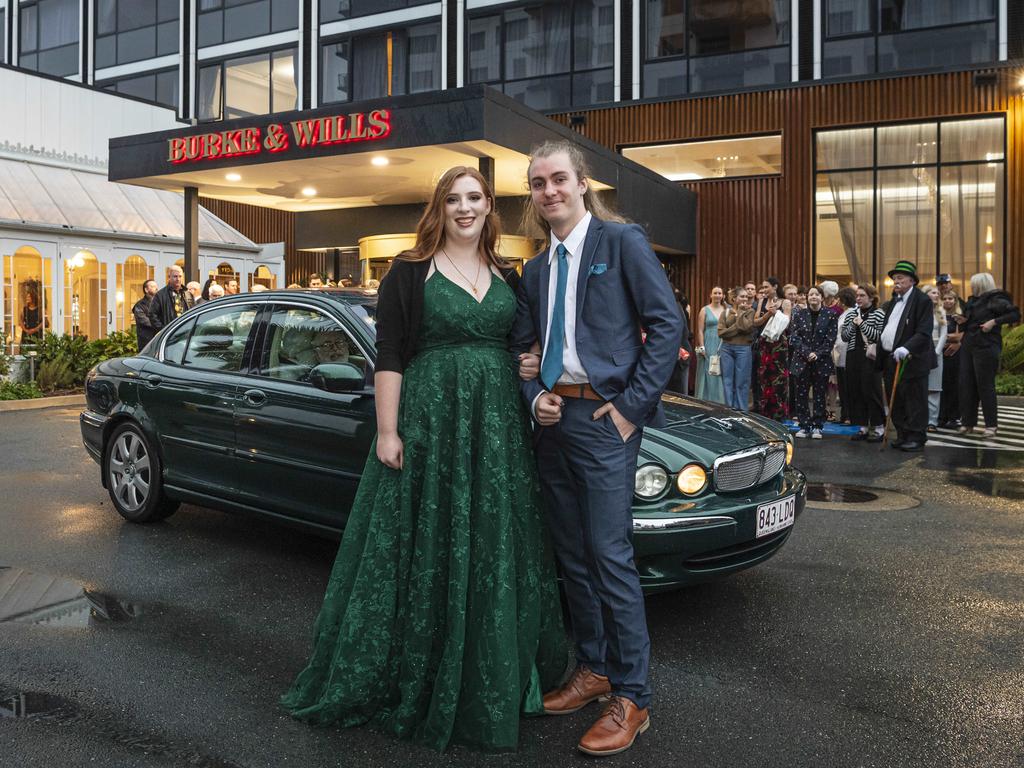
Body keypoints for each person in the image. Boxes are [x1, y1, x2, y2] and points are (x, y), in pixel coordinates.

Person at [280, 166, 566, 752]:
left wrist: (531, 365)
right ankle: (426, 673)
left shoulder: (510, 275)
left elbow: (522, 346)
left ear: (490, 206)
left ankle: (491, 675)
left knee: (490, 543)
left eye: (475, 198)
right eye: (453, 199)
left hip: (496, 432)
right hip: (431, 423)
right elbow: (388, 356)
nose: (465, 208)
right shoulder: (408, 272)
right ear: (439, 207)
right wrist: (387, 431)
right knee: (427, 545)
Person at [511, 139, 681, 756]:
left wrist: (631, 410)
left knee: (609, 555)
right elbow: (523, 349)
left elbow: (668, 324)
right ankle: (595, 668)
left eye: (558, 179)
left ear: (582, 184)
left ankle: (633, 695)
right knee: (572, 555)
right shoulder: (533, 268)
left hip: (608, 421)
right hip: (555, 422)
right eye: (537, 183)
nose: (549, 191)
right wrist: (535, 396)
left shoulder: (622, 242)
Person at [877, 261, 936, 452]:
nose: (895, 281)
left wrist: (907, 347)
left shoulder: (922, 301)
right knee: (897, 400)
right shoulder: (894, 300)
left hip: (912, 359)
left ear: (912, 280)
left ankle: (916, 436)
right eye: (894, 278)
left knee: (914, 400)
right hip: (890, 358)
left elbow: (924, 332)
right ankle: (903, 434)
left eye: (900, 278)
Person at [958, 272, 1021, 437]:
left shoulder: (996, 299)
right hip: (969, 345)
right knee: (967, 384)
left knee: (985, 386)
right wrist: (963, 321)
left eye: (974, 284)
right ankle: (968, 423)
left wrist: (993, 322)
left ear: (980, 284)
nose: (971, 287)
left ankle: (991, 425)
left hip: (986, 346)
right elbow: (970, 323)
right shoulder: (973, 302)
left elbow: (1015, 314)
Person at [791, 286, 839, 438]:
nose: (813, 296)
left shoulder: (831, 315)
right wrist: (807, 353)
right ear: (807, 297)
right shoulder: (799, 314)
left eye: (816, 294)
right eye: (810, 294)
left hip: (821, 361)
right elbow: (794, 337)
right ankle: (804, 425)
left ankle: (818, 425)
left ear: (822, 298)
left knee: (819, 394)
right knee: (801, 395)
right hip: (801, 360)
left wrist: (817, 354)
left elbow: (830, 339)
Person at [841, 284, 886, 442]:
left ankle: (879, 427)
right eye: (857, 295)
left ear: (871, 298)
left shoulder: (879, 314)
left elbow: (880, 336)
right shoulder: (851, 314)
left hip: (871, 356)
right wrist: (854, 323)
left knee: (871, 391)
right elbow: (845, 336)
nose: (858, 298)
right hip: (853, 355)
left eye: (862, 295)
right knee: (856, 391)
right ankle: (862, 427)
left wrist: (862, 324)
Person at [752, 280, 791, 420]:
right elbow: (755, 322)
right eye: (762, 287)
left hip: (779, 343)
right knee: (764, 376)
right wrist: (768, 314)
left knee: (779, 377)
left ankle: (779, 412)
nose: (764, 289)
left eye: (766, 287)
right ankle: (765, 412)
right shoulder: (762, 302)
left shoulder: (785, 302)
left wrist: (776, 314)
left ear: (775, 287)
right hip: (764, 343)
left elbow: (787, 322)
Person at [717, 287, 755, 411]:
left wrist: (740, 313)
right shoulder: (725, 312)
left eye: (746, 297)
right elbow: (721, 333)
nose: (746, 299)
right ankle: (729, 410)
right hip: (726, 348)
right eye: (742, 296)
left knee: (742, 382)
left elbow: (746, 328)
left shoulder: (750, 312)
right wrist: (737, 327)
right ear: (734, 299)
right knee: (727, 381)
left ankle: (742, 411)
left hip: (743, 349)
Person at [919, 284, 948, 432]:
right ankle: (920, 419)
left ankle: (932, 421)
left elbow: (944, 333)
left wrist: (937, 352)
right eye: (933, 293)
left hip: (936, 351)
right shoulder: (919, 311)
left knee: (934, 388)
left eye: (937, 293)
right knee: (919, 387)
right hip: (920, 351)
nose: (937, 295)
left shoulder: (940, 311)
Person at [695, 286, 727, 404]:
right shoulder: (704, 310)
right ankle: (705, 400)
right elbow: (699, 330)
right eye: (715, 293)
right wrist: (702, 346)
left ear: (723, 296)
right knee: (707, 370)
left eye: (719, 293)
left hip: (722, 342)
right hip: (708, 342)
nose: (717, 295)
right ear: (710, 295)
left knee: (719, 370)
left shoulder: (725, 310)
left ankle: (719, 401)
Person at [938, 291, 964, 428]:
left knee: (954, 385)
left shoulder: (958, 316)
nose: (948, 301)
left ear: (955, 300)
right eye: (945, 298)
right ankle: (941, 416)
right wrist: (949, 337)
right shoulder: (937, 315)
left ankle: (954, 417)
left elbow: (960, 336)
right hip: (939, 354)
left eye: (951, 298)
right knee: (941, 386)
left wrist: (945, 337)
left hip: (955, 356)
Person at [833, 287, 858, 424]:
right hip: (840, 353)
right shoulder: (844, 313)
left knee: (848, 386)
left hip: (847, 353)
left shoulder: (851, 313)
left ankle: (849, 415)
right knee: (842, 386)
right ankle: (845, 414)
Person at [148, 265, 194, 332]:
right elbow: (152, 315)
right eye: (175, 276)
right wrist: (163, 330)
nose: (178, 279)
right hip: (170, 335)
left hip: (186, 332)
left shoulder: (188, 294)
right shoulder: (160, 295)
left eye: (180, 276)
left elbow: (193, 312)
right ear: (169, 277)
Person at [668, 287, 692, 395]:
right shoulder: (675, 305)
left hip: (679, 353)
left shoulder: (674, 306)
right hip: (676, 351)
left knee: (679, 393)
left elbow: (682, 331)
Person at [132, 279, 159, 350]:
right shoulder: (139, 305)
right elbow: (144, 321)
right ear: (146, 290)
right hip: (146, 340)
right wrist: (159, 325)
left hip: (158, 338)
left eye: (156, 286)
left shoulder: (159, 303)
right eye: (153, 286)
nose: (156, 288)